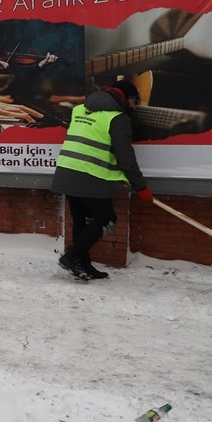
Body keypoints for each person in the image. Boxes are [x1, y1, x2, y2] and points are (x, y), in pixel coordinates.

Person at [51, 80, 152, 280]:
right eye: (134, 101)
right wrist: (141, 186)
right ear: (124, 98)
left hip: (67, 170)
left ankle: (83, 264)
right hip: (88, 176)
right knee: (106, 219)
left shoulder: (79, 109)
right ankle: (72, 257)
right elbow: (125, 156)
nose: (135, 106)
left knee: (82, 220)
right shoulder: (117, 118)